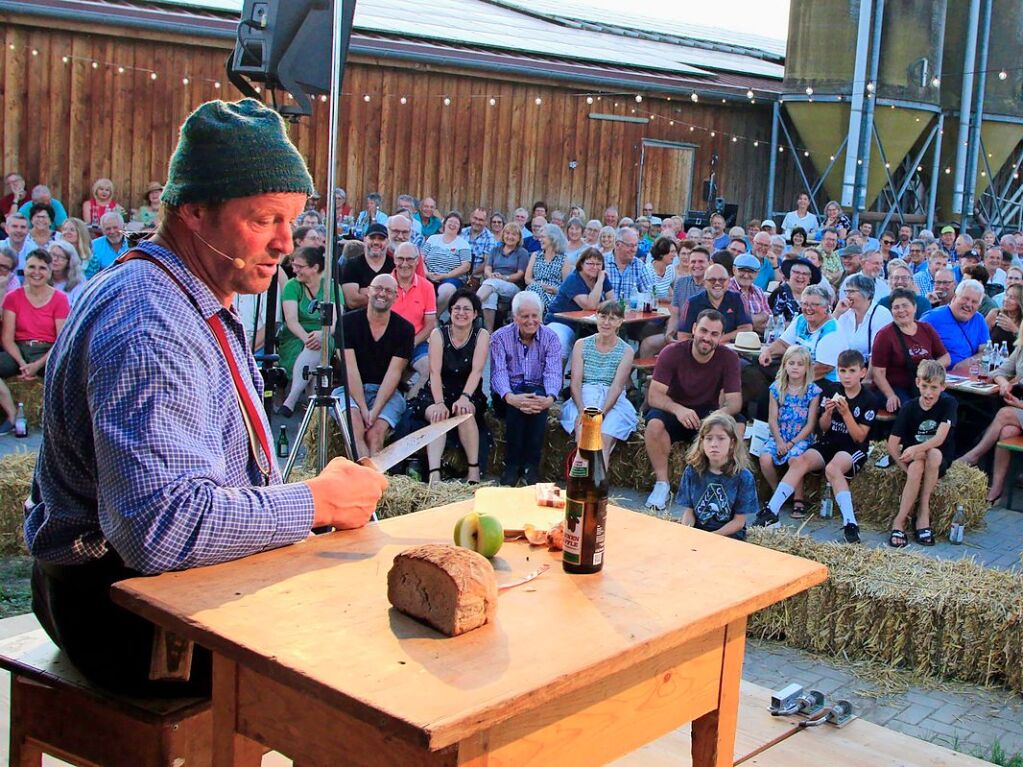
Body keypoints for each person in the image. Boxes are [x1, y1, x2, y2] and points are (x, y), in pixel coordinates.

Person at [27, 98, 390, 696]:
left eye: (291, 222)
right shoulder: (151, 324)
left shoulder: (175, 285)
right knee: (369, 654)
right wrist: (316, 503)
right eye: (264, 220)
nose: (285, 244)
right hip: (124, 617)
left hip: (128, 593)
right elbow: (159, 527)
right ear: (194, 210)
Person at [756, 350, 879, 543]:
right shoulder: (832, 389)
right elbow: (822, 427)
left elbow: (859, 436)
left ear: (863, 373)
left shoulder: (869, 399)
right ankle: (771, 511)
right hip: (830, 441)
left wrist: (846, 414)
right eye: (843, 371)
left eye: (852, 371)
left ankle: (850, 523)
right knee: (798, 461)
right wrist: (828, 414)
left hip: (852, 447)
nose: (846, 376)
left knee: (833, 468)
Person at [644, 310, 743, 511]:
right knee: (654, 423)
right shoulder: (672, 352)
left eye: (714, 334)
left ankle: (720, 483)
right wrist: (678, 409)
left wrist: (714, 418)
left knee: (739, 424)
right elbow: (654, 396)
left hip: (709, 415)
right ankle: (662, 484)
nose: (707, 338)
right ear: (694, 329)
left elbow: (734, 403)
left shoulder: (729, 357)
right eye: (704, 331)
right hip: (676, 410)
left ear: (720, 336)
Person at [333, 273, 414, 458]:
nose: (382, 294)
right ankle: (361, 479)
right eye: (377, 288)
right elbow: (349, 370)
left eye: (388, 291)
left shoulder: (405, 329)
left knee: (374, 434)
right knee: (355, 427)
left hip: (386, 392)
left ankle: (374, 483)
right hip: (350, 390)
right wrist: (362, 408)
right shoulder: (347, 323)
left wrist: (374, 411)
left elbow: (394, 374)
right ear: (368, 291)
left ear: (396, 296)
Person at [414, 289, 489, 485]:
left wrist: (465, 397)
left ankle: (474, 472)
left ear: (475, 314)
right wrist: (439, 402)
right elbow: (434, 372)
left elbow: (477, 371)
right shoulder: (438, 334)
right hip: (438, 390)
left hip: (468, 389)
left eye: (467, 309)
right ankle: (434, 474)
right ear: (450, 311)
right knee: (438, 416)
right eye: (457, 308)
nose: (461, 313)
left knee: (465, 414)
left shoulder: (481, 335)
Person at [489, 290, 561, 486]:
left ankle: (530, 466)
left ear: (541, 315)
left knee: (536, 403)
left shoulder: (551, 338)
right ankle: (512, 465)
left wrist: (550, 398)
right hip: (506, 395)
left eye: (534, 315)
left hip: (537, 391)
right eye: (525, 316)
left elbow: (553, 372)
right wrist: (510, 397)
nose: (530, 321)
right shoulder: (499, 337)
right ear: (515, 317)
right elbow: (498, 373)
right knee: (518, 404)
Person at [886, 360, 957, 548]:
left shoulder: (949, 403)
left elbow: (940, 438)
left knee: (933, 453)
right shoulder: (909, 407)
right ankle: (900, 521)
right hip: (914, 460)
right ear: (917, 382)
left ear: (943, 387)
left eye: (934, 387)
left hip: (938, 457)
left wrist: (916, 449)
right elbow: (892, 444)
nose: (928, 393)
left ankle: (923, 510)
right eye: (924, 386)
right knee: (916, 467)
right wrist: (904, 468)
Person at [560, 300, 636, 465]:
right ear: (596, 317)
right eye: (602, 317)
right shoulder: (582, 344)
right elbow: (575, 383)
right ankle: (579, 486)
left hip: (612, 401)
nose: (606, 322)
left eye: (612, 318)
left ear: (620, 322)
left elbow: (616, 387)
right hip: (584, 397)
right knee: (586, 439)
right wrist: (582, 410)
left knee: (603, 442)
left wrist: (603, 413)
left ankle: (596, 489)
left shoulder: (627, 351)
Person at [960, 323, 1023, 503]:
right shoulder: (1020, 348)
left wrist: (1019, 404)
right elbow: (999, 371)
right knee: (1006, 432)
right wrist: (1004, 383)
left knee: (1004, 414)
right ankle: (996, 490)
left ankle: (973, 455)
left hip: (1020, 407)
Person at [759, 345, 823, 519]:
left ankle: (798, 498)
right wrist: (780, 441)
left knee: (795, 459)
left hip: (800, 437)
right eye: (791, 363)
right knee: (765, 459)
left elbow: (810, 424)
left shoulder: (812, 391)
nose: (795, 367)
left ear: (807, 368)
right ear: (784, 365)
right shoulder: (776, 388)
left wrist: (792, 443)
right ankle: (778, 492)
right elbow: (772, 419)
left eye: (800, 364)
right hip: (780, 435)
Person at [676, 413, 755, 541]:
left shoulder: (743, 477)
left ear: (732, 443)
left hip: (730, 537)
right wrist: (688, 533)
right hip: (698, 533)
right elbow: (689, 512)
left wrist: (711, 538)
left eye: (721, 438)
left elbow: (739, 522)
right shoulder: (692, 471)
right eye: (709, 438)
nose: (714, 444)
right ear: (701, 442)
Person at [870, 288, 950, 411]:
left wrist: (928, 368)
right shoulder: (885, 335)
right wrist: (890, 395)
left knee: (948, 403)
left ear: (914, 307)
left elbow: (945, 358)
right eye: (896, 307)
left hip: (923, 385)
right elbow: (878, 373)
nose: (901, 310)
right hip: (895, 387)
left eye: (905, 306)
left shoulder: (926, 329)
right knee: (912, 408)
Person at [0, 247, 69, 382]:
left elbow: (61, 340)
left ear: (49, 272)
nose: (36, 272)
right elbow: (7, 339)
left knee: (65, 374)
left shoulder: (60, 299)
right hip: (18, 351)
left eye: (42, 268)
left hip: (47, 352)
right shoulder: (12, 297)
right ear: (24, 270)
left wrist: (37, 365)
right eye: (32, 267)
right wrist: (22, 364)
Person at [277, 246, 331, 418]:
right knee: (315, 348)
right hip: (296, 335)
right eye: (294, 265)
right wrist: (308, 339)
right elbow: (291, 320)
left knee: (319, 344)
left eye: (299, 266)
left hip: (325, 333)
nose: (294, 270)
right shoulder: (292, 286)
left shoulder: (330, 287)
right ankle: (313, 414)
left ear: (314, 267)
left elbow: (335, 320)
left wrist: (322, 334)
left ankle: (291, 400)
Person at [759, 284, 847, 382]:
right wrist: (768, 352)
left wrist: (792, 380)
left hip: (822, 381)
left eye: (814, 304)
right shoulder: (801, 320)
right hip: (797, 371)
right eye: (804, 304)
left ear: (826, 307)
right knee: (756, 368)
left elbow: (824, 368)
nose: (808, 308)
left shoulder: (832, 331)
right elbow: (783, 344)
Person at [641, 246, 711, 358]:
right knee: (647, 344)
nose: (696, 265)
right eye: (693, 261)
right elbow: (674, 314)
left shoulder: (712, 286)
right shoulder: (681, 283)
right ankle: (648, 375)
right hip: (679, 332)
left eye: (701, 261)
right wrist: (669, 334)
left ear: (709, 263)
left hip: (702, 336)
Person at [546, 248, 615, 362]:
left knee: (609, 339)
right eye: (590, 263)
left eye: (598, 264)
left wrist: (601, 281)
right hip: (562, 321)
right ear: (581, 264)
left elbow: (612, 303)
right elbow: (590, 306)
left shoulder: (601, 278)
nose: (595, 267)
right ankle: (557, 377)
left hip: (587, 325)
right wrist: (600, 282)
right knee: (561, 344)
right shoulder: (574, 279)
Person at [391, 242, 437, 399]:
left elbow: (430, 324)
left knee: (431, 370)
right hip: (388, 343)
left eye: (410, 259)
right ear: (394, 260)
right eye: (400, 259)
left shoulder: (427, 287)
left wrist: (412, 343)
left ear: (417, 261)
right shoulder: (384, 284)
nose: (405, 264)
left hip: (416, 342)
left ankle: (409, 406)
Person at [921, 280, 989, 367]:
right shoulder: (931, 318)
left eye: (974, 302)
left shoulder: (978, 319)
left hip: (969, 375)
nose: (968, 304)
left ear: (978, 306)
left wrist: (965, 364)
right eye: (965, 298)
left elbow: (985, 352)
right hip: (939, 375)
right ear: (954, 298)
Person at [678, 264, 751, 343]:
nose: (717, 283)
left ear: (728, 281)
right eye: (712, 280)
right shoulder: (692, 303)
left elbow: (746, 329)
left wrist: (717, 340)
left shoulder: (738, 299)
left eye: (722, 280)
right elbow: (683, 337)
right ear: (704, 283)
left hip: (731, 350)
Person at [476, 222, 528, 332]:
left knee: (491, 283)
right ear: (503, 235)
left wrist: (504, 278)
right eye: (507, 233)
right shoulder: (495, 250)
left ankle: (472, 304)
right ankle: (489, 333)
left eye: (514, 234)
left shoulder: (522, 252)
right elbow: (487, 268)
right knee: (491, 297)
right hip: (492, 283)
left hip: (512, 286)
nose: (510, 237)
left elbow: (520, 274)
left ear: (519, 238)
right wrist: (491, 275)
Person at [834, 273, 892, 364]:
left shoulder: (881, 314)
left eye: (852, 292)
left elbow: (878, 354)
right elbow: (827, 336)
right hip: (843, 368)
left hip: (868, 369)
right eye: (846, 292)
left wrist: (867, 378)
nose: (847, 296)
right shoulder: (845, 312)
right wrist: (837, 313)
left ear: (867, 294)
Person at [423, 211, 471, 316]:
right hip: (428, 275)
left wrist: (445, 275)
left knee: (446, 290)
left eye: (456, 223)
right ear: (444, 223)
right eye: (450, 221)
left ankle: (434, 317)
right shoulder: (432, 239)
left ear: (459, 228)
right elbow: (421, 259)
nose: (452, 224)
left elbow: (466, 266)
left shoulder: (463, 244)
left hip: (450, 278)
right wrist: (426, 273)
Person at [341, 222, 393, 309]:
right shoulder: (352, 265)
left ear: (387, 242)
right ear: (365, 239)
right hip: (357, 319)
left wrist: (367, 291)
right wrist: (385, 295)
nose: (376, 242)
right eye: (372, 238)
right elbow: (352, 301)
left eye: (381, 239)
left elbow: (399, 298)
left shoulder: (393, 266)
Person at [524, 223, 566, 313]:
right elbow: (527, 279)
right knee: (533, 291)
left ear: (553, 238)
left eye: (543, 237)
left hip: (552, 295)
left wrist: (556, 290)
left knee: (530, 298)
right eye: (540, 237)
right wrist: (539, 286)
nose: (540, 240)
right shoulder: (536, 255)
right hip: (534, 290)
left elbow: (566, 285)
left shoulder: (563, 259)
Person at [729, 253, 770, 335]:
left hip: (756, 340)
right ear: (734, 270)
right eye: (742, 270)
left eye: (751, 271)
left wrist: (744, 323)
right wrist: (759, 319)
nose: (746, 275)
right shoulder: (726, 289)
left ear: (757, 273)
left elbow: (769, 320)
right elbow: (730, 323)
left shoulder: (759, 291)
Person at [770, 257, 818, 322]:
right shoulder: (781, 292)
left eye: (805, 274)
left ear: (809, 279)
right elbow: (775, 319)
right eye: (797, 272)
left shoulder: (813, 295)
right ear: (790, 274)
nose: (800, 276)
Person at [461, 207, 497, 284]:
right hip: (457, 272)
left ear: (486, 222)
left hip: (476, 276)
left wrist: (472, 274)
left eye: (481, 220)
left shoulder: (490, 238)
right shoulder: (461, 233)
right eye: (475, 218)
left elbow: (488, 262)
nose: (477, 222)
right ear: (471, 218)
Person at [47, 240, 86, 305]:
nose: (55, 259)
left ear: (69, 262)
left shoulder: (78, 281)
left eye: (61, 257)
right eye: (53, 255)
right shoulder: (41, 277)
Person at [987, 284, 1022, 349]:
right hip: (993, 357)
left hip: (1015, 358)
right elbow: (981, 339)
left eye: (1011, 297)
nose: (1006, 299)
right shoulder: (994, 314)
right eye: (1006, 295)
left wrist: (1014, 330)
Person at [646, 236, 677, 302]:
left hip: (665, 309)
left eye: (675, 252)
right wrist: (665, 299)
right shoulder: (647, 271)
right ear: (662, 253)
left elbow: (673, 295)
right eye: (672, 252)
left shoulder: (671, 269)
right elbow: (648, 297)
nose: (675, 255)